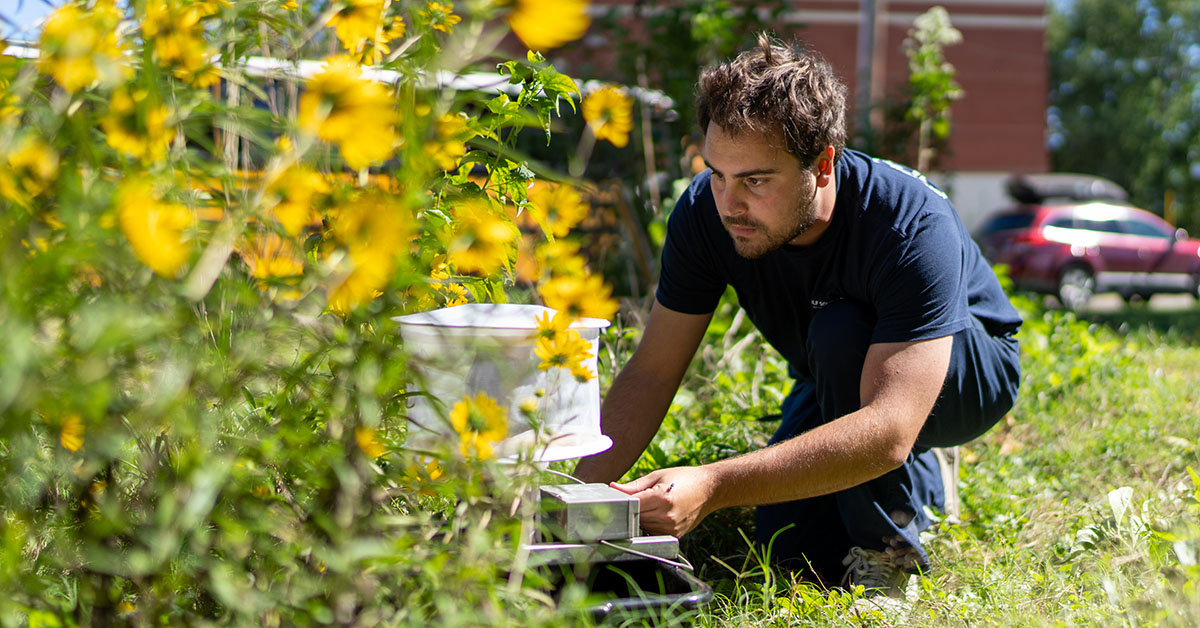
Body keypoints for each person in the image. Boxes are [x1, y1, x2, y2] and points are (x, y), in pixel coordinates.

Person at [573, 34, 1022, 597]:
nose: (729, 204)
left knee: (841, 332)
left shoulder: (910, 222)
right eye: (717, 173)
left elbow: (886, 432)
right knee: (792, 547)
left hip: (964, 373)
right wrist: (572, 496)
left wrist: (713, 484)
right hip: (833, 373)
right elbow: (653, 371)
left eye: (756, 180)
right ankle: (920, 486)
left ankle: (890, 553)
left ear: (823, 164)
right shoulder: (703, 214)